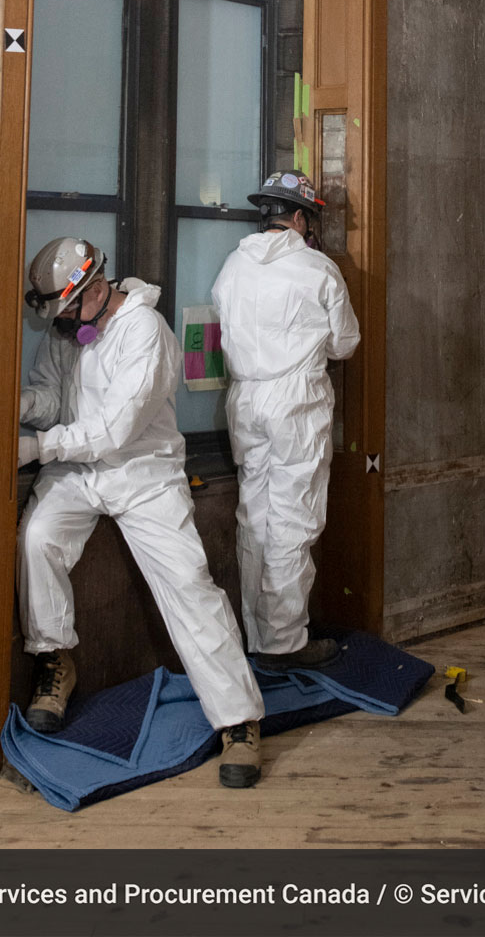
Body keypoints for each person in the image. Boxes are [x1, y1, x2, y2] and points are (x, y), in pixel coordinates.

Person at [16, 237, 265, 788]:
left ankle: (239, 720)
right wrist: (16, 407)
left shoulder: (146, 334)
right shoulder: (69, 328)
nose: (61, 326)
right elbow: (54, 402)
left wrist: (37, 448)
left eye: (68, 311)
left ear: (97, 289)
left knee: (189, 584)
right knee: (36, 538)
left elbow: (113, 431)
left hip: (143, 474)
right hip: (80, 471)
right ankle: (55, 659)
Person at [210, 172, 360, 671]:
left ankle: (257, 635)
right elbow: (345, 344)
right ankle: (285, 642)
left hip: (245, 400)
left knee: (255, 514)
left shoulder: (233, 266)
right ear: (299, 219)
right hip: (295, 403)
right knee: (293, 520)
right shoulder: (317, 268)